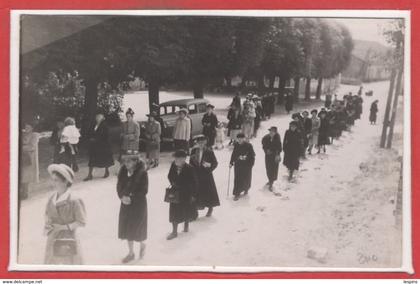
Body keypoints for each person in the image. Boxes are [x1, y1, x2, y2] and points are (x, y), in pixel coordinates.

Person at [44, 164, 86, 264]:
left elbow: (81, 222)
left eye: (56, 180)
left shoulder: (74, 200)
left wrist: (63, 227)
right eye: (52, 179)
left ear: (66, 181)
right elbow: (47, 214)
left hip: (68, 239)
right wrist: (48, 223)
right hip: (53, 238)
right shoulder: (51, 198)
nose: (53, 183)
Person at [117, 154, 148, 263]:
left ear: (135, 162)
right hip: (125, 203)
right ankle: (131, 253)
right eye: (125, 162)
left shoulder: (142, 173)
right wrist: (121, 197)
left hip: (138, 204)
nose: (126, 164)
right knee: (127, 228)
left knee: (138, 228)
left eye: (129, 162)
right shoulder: (123, 172)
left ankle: (142, 245)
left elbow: (144, 190)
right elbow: (119, 187)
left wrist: (131, 197)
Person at [166, 150, 198, 240]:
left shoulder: (190, 168)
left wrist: (193, 195)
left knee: (186, 209)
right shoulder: (173, 165)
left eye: (178, 158)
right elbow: (169, 175)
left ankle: (186, 225)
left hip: (186, 193)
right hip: (175, 192)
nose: (176, 160)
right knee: (173, 212)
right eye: (175, 158)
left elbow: (194, 182)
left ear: (184, 159)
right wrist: (173, 182)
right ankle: (174, 232)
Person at [190, 135, 220, 217]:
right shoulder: (194, 151)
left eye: (202, 142)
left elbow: (215, 163)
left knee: (208, 191)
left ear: (205, 142)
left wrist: (209, 167)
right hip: (196, 175)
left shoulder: (209, 151)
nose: (201, 144)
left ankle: (210, 207)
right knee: (197, 192)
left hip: (206, 175)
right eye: (199, 142)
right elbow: (190, 163)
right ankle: (196, 209)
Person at [84, 112, 114, 181]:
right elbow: (89, 132)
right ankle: (89, 175)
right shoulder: (93, 124)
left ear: (103, 117)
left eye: (99, 116)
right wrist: (90, 138)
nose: (97, 118)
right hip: (94, 145)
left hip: (103, 145)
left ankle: (106, 171)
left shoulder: (105, 125)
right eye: (96, 116)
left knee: (105, 159)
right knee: (92, 159)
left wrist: (96, 139)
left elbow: (105, 135)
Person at [229, 133, 255, 201]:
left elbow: (252, 155)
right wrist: (231, 162)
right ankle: (236, 193)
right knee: (237, 179)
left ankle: (246, 189)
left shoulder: (249, 145)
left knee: (246, 178)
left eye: (241, 138)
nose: (240, 140)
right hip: (238, 165)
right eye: (238, 139)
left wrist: (249, 162)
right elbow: (234, 154)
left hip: (246, 165)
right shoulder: (236, 145)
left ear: (244, 139)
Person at [20, 122, 40, 201]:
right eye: (26, 127)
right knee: (21, 174)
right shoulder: (23, 134)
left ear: (32, 128)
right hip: (22, 156)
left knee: (25, 176)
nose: (26, 128)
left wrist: (21, 147)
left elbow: (32, 146)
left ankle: (25, 193)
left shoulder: (34, 135)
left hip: (29, 158)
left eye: (28, 127)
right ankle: (21, 192)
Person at [261, 127, 282, 191]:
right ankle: (270, 179)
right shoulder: (266, 138)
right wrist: (266, 150)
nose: (271, 133)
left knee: (274, 168)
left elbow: (280, 148)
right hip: (268, 156)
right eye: (270, 131)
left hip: (275, 155)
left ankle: (271, 181)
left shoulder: (277, 138)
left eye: (273, 132)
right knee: (268, 168)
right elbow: (263, 145)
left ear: (275, 132)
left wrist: (278, 154)